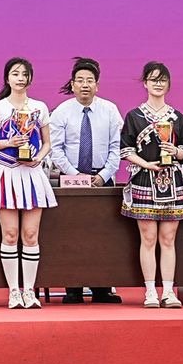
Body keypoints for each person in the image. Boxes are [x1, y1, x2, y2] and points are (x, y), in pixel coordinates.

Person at [47, 57, 125, 304]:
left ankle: (103, 288)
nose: (84, 85)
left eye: (89, 80)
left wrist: (103, 176)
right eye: (79, 80)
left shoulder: (110, 110)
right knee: (72, 234)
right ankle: (73, 288)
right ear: (72, 84)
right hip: (71, 180)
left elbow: (117, 147)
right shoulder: (61, 112)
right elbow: (56, 150)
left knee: (104, 234)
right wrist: (75, 175)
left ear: (97, 85)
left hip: (103, 179)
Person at [0, 58, 55, 309]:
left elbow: (47, 143)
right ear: (7, 78)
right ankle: (14, 290)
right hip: (6, 173)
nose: (20, 78)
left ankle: (29, 290)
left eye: (24, 74)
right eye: (15, 73)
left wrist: (38, 159)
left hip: (31, 174)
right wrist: (8, 143)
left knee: (31, 235)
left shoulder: (39, 107)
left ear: (30, 78)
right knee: (10, 235)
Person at [120, 62, 183, 309]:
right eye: (153, 79)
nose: (158, 84)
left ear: (169, 84)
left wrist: (176, 152)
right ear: (145, 83)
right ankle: (150, 290)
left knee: (169, 238)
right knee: (148, 237)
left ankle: (169, 291)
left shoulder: (178, 117)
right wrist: (146, 164)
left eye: (162, 80)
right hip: (144, 179)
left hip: (172, 181)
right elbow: (126, 150)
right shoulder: (134, 116)